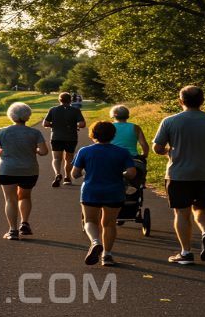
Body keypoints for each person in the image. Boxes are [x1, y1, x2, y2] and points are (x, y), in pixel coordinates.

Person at [153, 86, 205, 265]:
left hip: (179, 174)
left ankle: (186, 252)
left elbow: (157, 148)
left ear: (181, 101)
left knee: (182, 212)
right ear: (202, 101)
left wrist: (169, 152)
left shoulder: (170, 121)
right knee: (201, 208)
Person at [71, 121, 136, 266]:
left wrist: (89, 171)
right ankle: (107, 255)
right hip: (114, 191)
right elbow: (131, 173)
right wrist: (121, 173)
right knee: (109, 224)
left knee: (90, 221)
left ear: (93, 134)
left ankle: (95, 241)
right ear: (113, 135)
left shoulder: (85, 151)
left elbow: (74, 174)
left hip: (91, 190)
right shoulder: (122, 152)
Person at [0, 102, 49, 240]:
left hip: (6, 169)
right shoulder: (35, 133)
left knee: (10, 199)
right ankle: (25, 223)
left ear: (11, 116)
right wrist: (35, 150)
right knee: (25, 196)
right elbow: (44, 152)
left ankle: (13, 230)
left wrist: (1, 151)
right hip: (29, 170)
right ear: (28, 116)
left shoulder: (2, 131)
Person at [44, 92, 86, 187]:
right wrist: (75, 125)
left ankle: (57, 174)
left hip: (56, 137)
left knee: (56, 158)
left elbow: (45, 123)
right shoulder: (75, 110)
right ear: (70, 100)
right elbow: (82, 124)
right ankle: (67, 177)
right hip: (71, 137)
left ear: (59, 100)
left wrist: (54, 125)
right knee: (69, 158)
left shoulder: (53, 110)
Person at [109, 104, 150, 182]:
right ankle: (142, 182)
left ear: (113, 115)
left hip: (113, 156)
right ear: (127, 115)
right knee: (142, 167)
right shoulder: (135, 127)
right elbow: (144, 144)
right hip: (132, 157)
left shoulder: (109, 126)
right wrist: (144, 155)